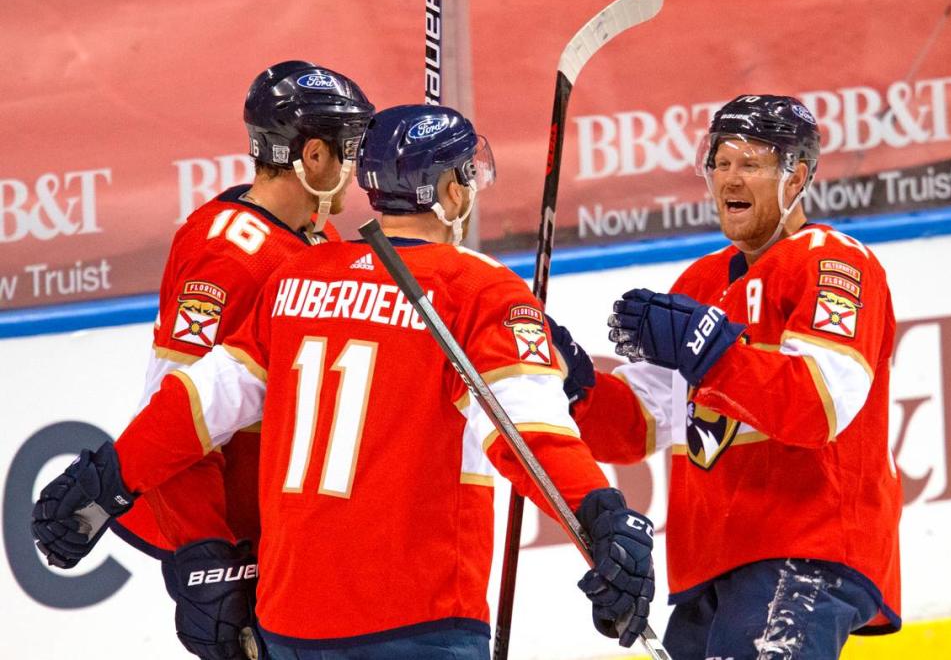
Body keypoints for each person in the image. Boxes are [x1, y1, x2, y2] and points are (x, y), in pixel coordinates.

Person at [32, 104, 657, 659]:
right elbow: (531, 436)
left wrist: (105, 477)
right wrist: (603, 521)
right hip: (416, 616)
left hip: (287, 617)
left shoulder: (300, 276)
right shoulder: (476, 287)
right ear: (450, 191)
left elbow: (200, 403)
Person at [560, 94, 902, 660]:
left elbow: (817, 407)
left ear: (797, 177)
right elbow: (639, 427)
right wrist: (573, 380)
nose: (729, 178)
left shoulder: (834, 261)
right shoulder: (700, 279)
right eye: (720, 163)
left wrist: (710, 350)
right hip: (711, 566)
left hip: (803, 549)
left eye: (751, 163)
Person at [110, 59, 374, 660]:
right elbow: (177, 409)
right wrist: (203, 553)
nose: (356, 166)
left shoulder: (321, 239)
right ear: (312, 156)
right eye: (350, 147)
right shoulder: (225, 251)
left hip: (292, 537)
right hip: (241, 544)